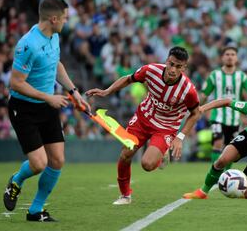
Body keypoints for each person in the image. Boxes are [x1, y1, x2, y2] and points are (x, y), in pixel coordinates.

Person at [3, 0, 90, 222]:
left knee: (57, 160)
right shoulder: (28, 44)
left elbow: (56, 64)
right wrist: (48, 97)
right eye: (64, 18)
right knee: (39, 164)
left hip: (47, 106)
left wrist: (73, 92)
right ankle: (16, 180)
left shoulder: (55, 36)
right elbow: (16, 82)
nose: (66, 22)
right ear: (53, 18)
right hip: (24, 109)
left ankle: (35, 211)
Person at [86, 46, 200, 205]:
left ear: (184, 67)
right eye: (171, 64)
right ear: (166, 60)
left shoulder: (188, 90)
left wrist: (180, 137)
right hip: (143, 118)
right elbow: (128, 78)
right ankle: (125, 195)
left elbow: (196, 113)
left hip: (165, 128)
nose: (173, 69)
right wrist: (107, 91)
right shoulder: (151, 70)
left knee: (147, 165)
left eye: (178, 66)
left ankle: (162, 153)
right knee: (125, 154)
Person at [201, 46, 247, 164]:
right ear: (222, 57)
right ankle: (215, 176)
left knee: (231, 150)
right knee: (218, 143)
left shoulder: (241, 76)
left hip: (234, 119)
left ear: (236, 58)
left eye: (233, 54)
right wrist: (196, 109)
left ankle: (226, 177)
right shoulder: (214, 75)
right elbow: (204, 95)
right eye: (227, 54)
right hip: (217, 117)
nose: (230, 57)